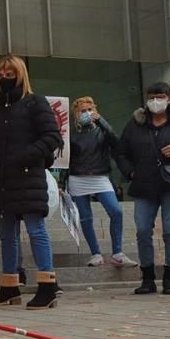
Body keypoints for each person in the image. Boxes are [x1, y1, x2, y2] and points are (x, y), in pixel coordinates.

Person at [0, 55, 63, 309]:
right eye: (0, 72)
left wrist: (24, 157)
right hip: (3, 181)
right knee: (6, 235)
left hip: (28, 176)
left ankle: (47, 285)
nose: (4, 76)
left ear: (20, 74)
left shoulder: (35, 103)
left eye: (10, 72)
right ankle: (9, 286)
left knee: (35, 230)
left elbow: (52, 137)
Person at [116, 82, 170, 295]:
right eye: (152, 96)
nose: (156, 101)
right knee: (143, 229)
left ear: (169, 98)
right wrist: (130, 172)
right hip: (144, 183)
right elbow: (121, 152)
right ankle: (147, 277)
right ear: (146, 99)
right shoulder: (135, 123)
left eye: (161, 96)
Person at [67, 96, 136, 267]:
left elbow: (116, 142)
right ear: (76, 113)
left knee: (116, 211)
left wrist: (102, 122)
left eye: (90, 110)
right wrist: (62, 183)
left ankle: (118, 253)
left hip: (100, 176)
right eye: (83, 111)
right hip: (78, 177)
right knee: (85, 217)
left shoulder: (102, 130)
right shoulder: (70, 133)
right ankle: (95, 253)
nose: (87, 113)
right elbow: (64, 159)